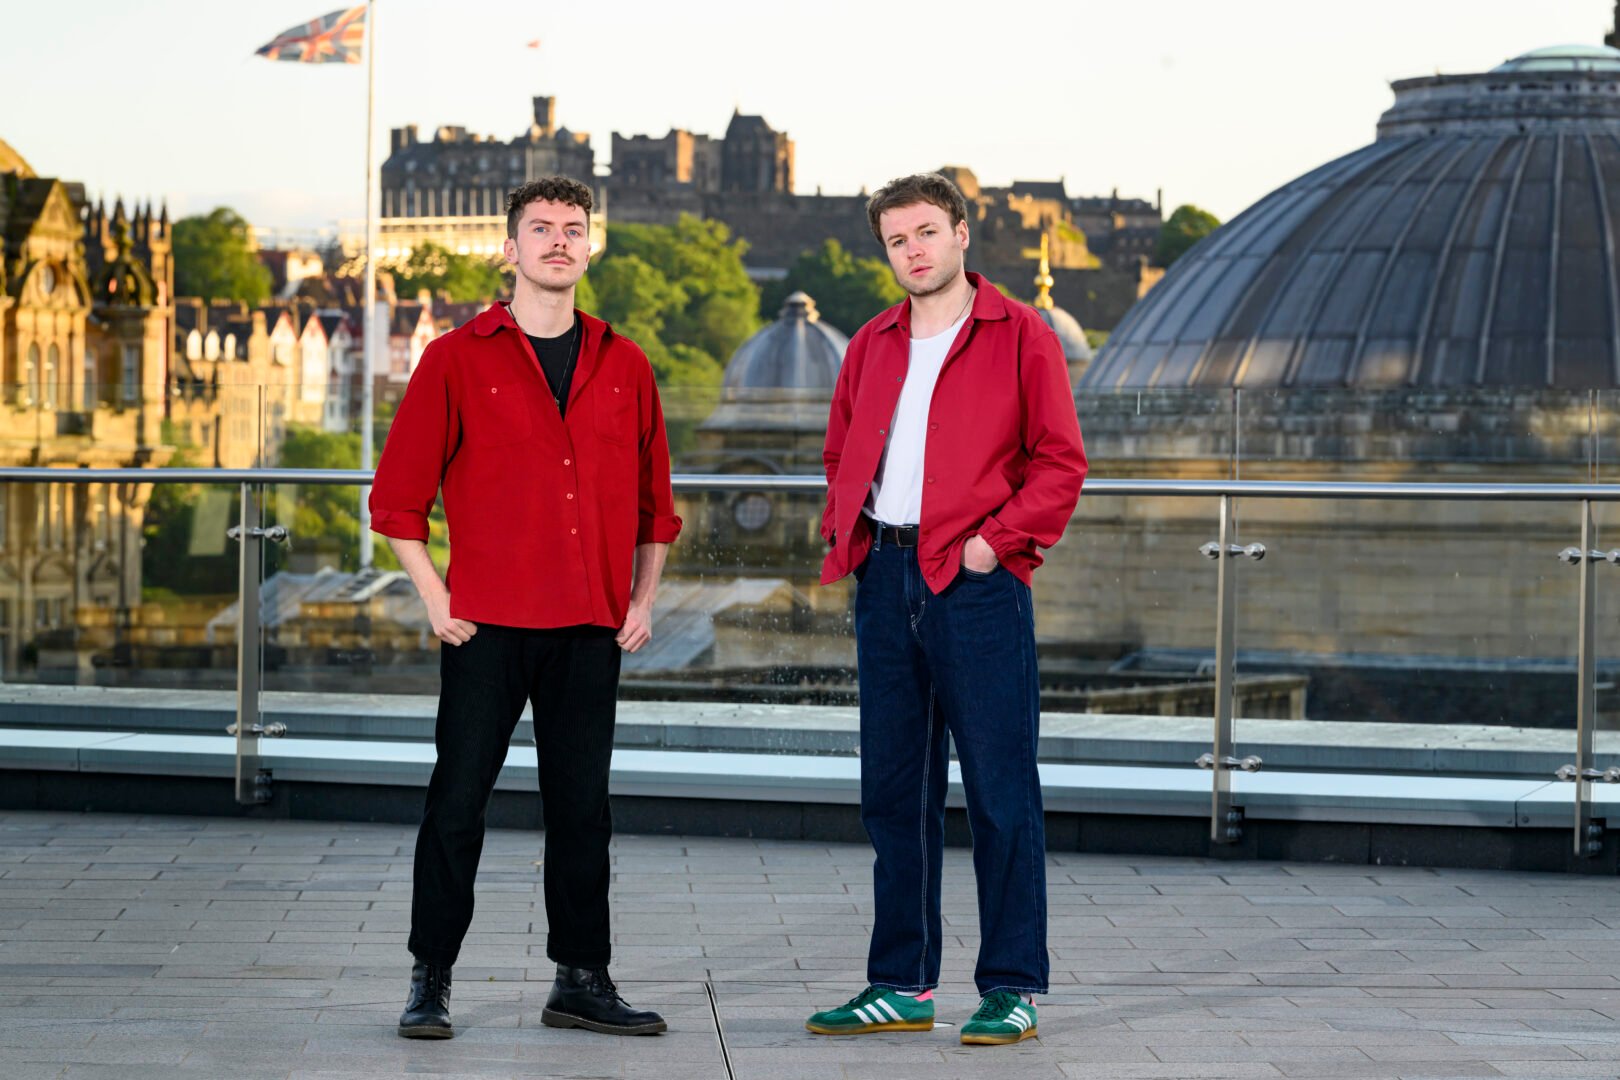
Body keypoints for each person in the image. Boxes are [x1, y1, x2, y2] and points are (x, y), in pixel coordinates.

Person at [370, 175, 681, 1040]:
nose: (556, 242)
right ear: (509, 249)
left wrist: (643, 600)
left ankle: (581, 979)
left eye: (572, 229)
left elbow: (657, 507)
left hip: (589, 624)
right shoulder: (454, 358)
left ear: (591, 247)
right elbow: (397, 501)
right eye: (539, 229)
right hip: (487, 623)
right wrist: (436, 598)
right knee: (457, 801)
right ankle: (429, 978)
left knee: (582, 808)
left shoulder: (626, 364)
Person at [806, 172, 1086, 1046]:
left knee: (1002, 790)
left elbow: (1060, 465)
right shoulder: (872, 343)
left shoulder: (1020, 336)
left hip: (973, 585)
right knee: (895, 794)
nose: (914, 250)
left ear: (962, 233)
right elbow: (839, 449)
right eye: (897, 240)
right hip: (885, 581)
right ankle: (900, 984)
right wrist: (849, 533)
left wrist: (989, 546)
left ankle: (1011, 987)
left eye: (927, 231)